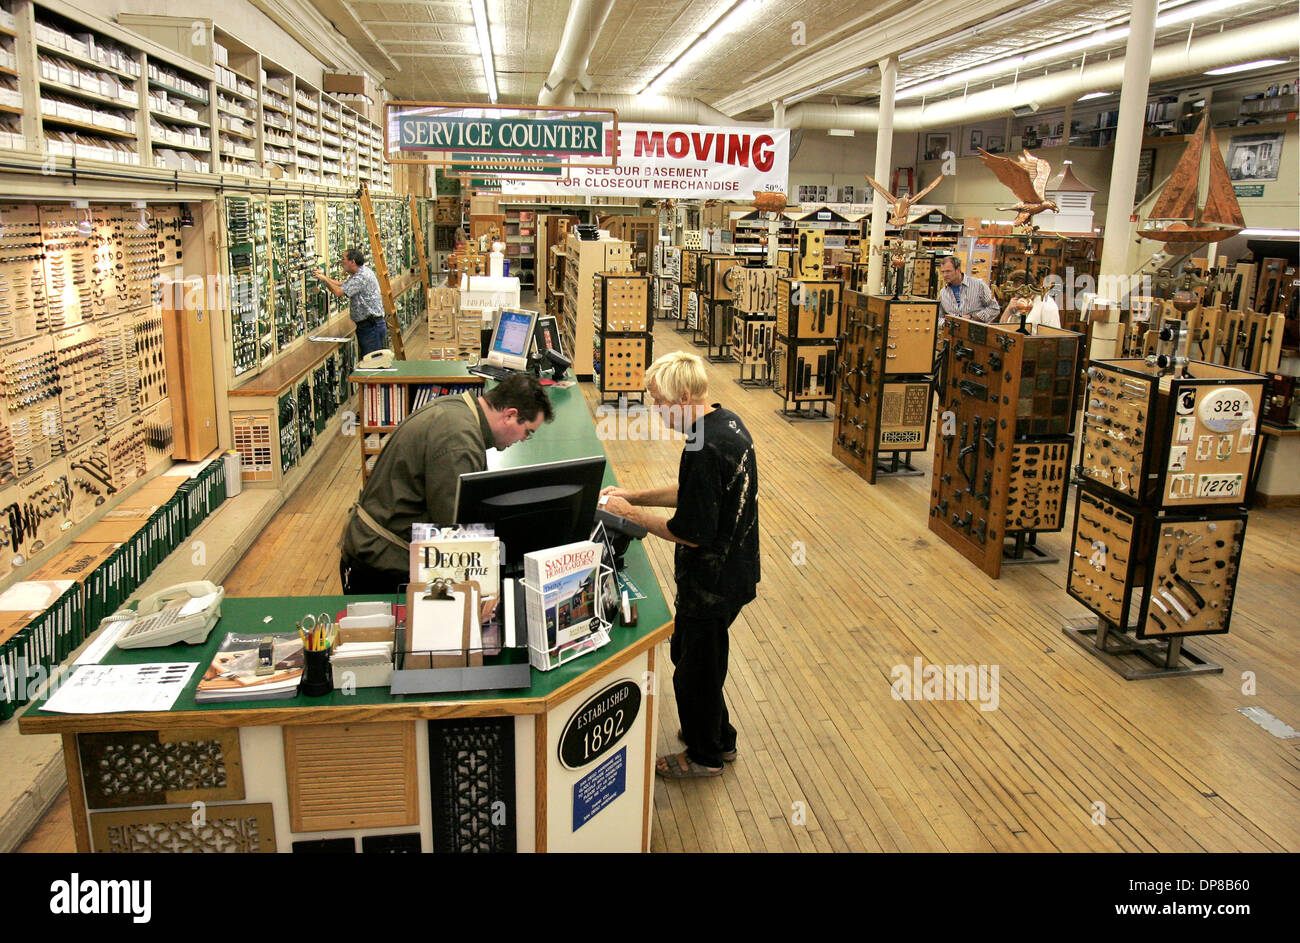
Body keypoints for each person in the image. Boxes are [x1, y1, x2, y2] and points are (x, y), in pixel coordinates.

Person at [599, 352, 759, 780]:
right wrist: (634, 495)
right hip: (736, 572)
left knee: (692, 673)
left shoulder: (703, 446)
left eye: (659, 401)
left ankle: (704, 757)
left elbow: (691, 530)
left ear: (684, 396)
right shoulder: (725, 424)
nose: (655, 409)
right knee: (703, 661)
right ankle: (720, 738)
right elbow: (690, 492)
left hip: (712, 581)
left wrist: (633, 518)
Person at [339, 373, 554, 595]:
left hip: (375, 550)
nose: (522, 440)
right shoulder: (459, 442)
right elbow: (454, 537)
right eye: (527, 432)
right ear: (510, 415)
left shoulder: (458, 410)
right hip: (381, 568)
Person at [315, 248, 388, 357]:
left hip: (371, 328)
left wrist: (325, 279)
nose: (341, 262)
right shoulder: (362, 272)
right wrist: (323, 278)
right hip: (369, 325)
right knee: (370, 363)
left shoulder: (361, 277)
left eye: (343, 259)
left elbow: (338, 292)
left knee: (372, 365)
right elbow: (342, 285)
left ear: (352, 261)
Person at [937, 255, 1000, 324]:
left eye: (948, 271)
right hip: (952, 333)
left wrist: (972, 317)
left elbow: (994, 308)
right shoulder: (943, 293)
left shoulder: (979, 285)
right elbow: (938, 317)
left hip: (975, 331)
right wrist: (946, 323)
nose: (944, 275)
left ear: (958, 270)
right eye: (942, 272)